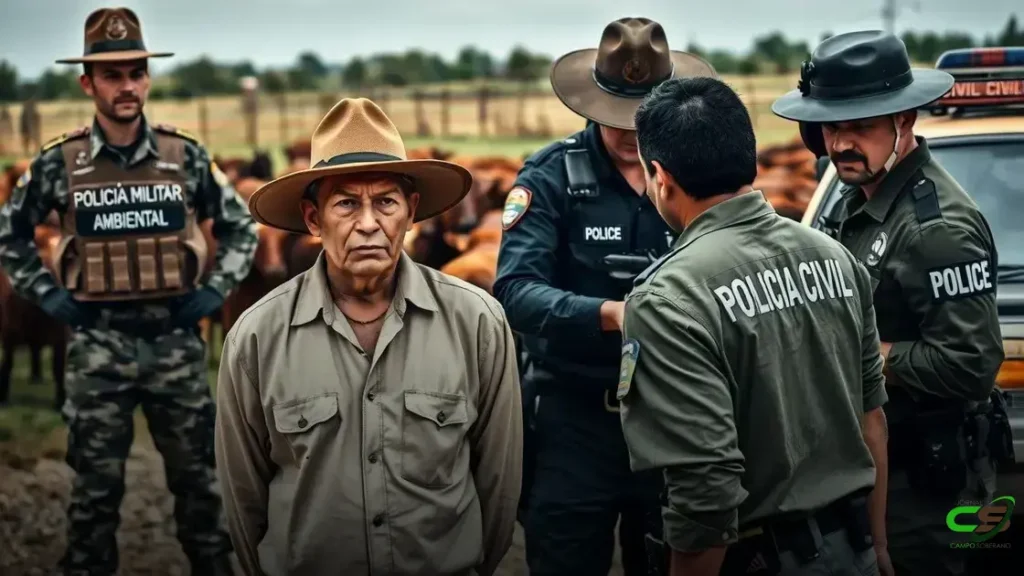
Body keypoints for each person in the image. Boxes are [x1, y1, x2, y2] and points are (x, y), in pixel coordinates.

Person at [214, 97, 523, 576]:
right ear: (313, 220)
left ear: (411, 211)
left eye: (385, 202)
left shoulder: (476, 322)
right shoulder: (256, 339)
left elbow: (498, 487)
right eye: (345, 203)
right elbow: (243, 501)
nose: (367, 224)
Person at [0, 7, 259, 576]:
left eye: (136, 72)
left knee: (202, 496)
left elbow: (241, 226)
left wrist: (214, 290)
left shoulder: (184, 156)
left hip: (174, 344)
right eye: (112, 74)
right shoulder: (59, 163)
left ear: (148, 76)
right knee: (94, 502)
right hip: (98, 348)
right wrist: (47, 296)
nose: (127, 85)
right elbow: (10, 235)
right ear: (87, 82)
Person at [618, 75, 892, 576]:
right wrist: (879, 548)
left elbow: (706, 490)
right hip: (854, 550)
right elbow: (871, 418)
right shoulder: (836, 257)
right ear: (749, 155)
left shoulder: (667, 298)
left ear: (660, 175)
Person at [771, 31, 1006, 576]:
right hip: (863, 473)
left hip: (921, 491)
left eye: (861, 127)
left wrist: (858, 355)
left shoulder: (936, 229)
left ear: (905, 122)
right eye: (831, 126)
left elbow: (970, 365)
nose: (840, 144)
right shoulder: (854, 200)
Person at [492, 17, 716, 575]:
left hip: (674, 417)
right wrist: (610, 316)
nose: (629, 130)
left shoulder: (699, 174)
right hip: (575, 420)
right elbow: (516, 292)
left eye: (644, 114)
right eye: (615, 112)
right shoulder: (548, 178)